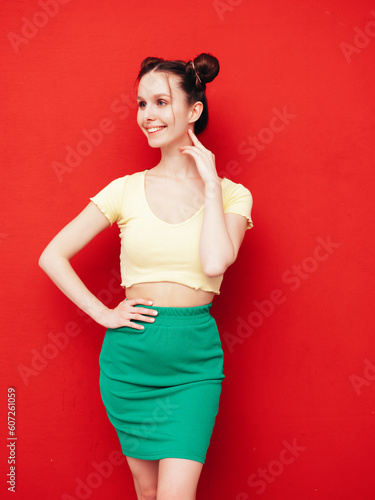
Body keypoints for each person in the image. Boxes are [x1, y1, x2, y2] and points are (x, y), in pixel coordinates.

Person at [39, 53, 253, 500]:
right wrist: (102, 313)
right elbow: (52, 255)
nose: (148, 116)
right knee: (147, 488)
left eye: (160, 102)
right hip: (130, 363)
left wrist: (211, 184)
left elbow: (215, 262)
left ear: (194, 110)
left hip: (193, 366)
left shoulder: (233, 195)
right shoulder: (124, 190)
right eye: (141, 104)